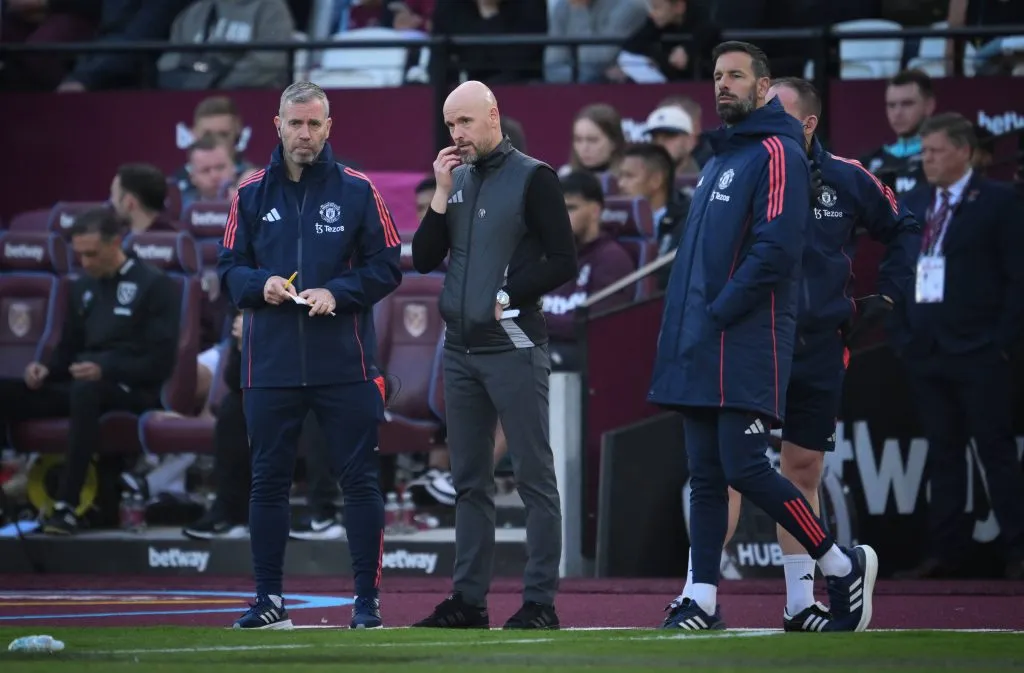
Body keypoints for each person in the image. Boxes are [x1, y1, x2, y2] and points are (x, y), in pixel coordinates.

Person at [671, 76, 920, 631]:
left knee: (801, 467)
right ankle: (698, 593)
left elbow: (903, 225)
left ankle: (801, 601)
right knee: (729, 468)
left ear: (806, 123)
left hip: (816, 341)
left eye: (776, 112)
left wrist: (890, 294)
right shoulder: (742, 169)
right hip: (750, 342)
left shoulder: (847, 177)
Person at [217, 81, 403, 630]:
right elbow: (227, 270)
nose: (304, 134)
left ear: (329, 127)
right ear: (277, 125)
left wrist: (337, 292)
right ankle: (269, 600)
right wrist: (263, 283)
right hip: (269, 363)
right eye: (295, 123)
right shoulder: (248, 192)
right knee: (268, 482)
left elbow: (388, 265)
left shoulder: (358, 190)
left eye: (314, 124)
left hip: (344, 363)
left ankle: (366, 604)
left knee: (360, 482)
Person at [411, 80, 577, 630]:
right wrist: (439, 191)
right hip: (459, 347)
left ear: (493, 116)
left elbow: (563, 260)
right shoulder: (454, 178)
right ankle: (468, 600)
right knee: (468, 480)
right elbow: (425, 255)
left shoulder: (535, 177)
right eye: (449, 125)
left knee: (532, 474)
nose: (456, 135)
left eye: (465, 123)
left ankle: (539, 602)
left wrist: (511, 294)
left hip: (511, 343)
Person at [894, 112, 1024, 581]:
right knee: (942, 454)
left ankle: (1018, 552)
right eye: (923, 152)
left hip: (979, 349)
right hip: (926, 349)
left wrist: (1001, 342)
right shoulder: (913, 202)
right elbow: (903, 269)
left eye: (935, 151)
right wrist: (904, 335)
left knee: (996, 451)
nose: (926, 160)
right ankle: (946, 554)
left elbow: (1017, 277)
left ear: (964, 151)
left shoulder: (999, 201)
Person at [0, 207, 180, 535]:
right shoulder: (83, 287)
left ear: (116, 243)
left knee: (86, 390)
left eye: (92, 254)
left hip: (131, 389)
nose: (84, 262)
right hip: (83, 383)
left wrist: (105, 369)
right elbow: (69, 349)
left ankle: (66, 506)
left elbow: (159, 362)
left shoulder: (155, 285)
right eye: (79, 254)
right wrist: (45, 369)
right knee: (6, 391)